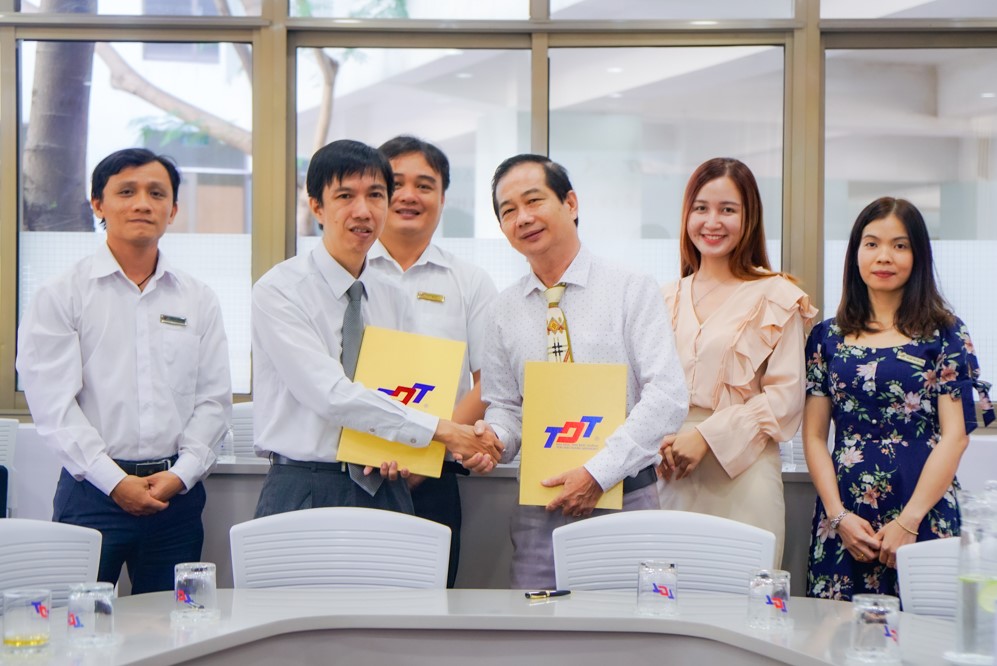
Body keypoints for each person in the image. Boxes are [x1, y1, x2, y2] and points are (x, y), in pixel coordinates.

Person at [16, 148, 232, 593]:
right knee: (77, 624)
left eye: (157, 193)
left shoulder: (198, 298)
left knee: (174, 625)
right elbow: (53, 406)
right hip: (92, 494)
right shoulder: (62, 294)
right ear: (98, 204)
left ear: (173, 210)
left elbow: (213, 400)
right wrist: (115, 482)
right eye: (127, 192)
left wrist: (181, 474)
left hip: (176, 498)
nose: (142, 204)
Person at [251, 139, 502, 519]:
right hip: (306, 483)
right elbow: (329, 394)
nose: (363, 211)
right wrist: (445, 431)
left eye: (375, 195)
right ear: (316, 206)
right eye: (345, 196)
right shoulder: (280, 290)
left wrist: (408, 449)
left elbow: (408, 391)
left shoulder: (393, 295)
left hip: (386, 484)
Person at [470, 154, 688, 590]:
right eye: (508, 211)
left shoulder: (630, 288)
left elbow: (667, 396)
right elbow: (506, 408)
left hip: (626, 495)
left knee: (631, 626)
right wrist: (493, 440)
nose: (523, 218)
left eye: (534, 201)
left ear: (570, 203)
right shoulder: (502, 311)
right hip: (541, 505)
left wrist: (597, 473)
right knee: (538, 627)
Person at [804, 197, 993, 600]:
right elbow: (815, 436)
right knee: (833, 632)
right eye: (872, 244)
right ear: (856, 253)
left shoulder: (946, 333)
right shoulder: (827, 336)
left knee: (927, 629)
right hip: (845, 518)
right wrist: (838, 516)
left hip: (923, 511)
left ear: (918, 255)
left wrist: (909, 521)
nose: (884, 256)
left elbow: (955, 436)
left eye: (900, 245)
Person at [656, 157, 817, 566]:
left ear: (749, 218)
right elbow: (645, 388)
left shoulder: (777, 296)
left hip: (744, 473)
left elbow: (785, 401)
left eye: (727, 209)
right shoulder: (664, 297)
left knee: (745, 592)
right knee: (668, 592)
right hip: (670, 470)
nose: (712, 222)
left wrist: (706, 437)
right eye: (701, 208)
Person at [370, 135, 498, 587]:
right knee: (347, 611)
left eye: (424, 185)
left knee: (430, 609)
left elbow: (490, 381)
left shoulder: (470, 281)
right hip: (351, 471)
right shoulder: (348, 272)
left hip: (436, 474)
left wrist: (427, 452)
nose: (409, 195)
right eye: (395, 184)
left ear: (443, 198)